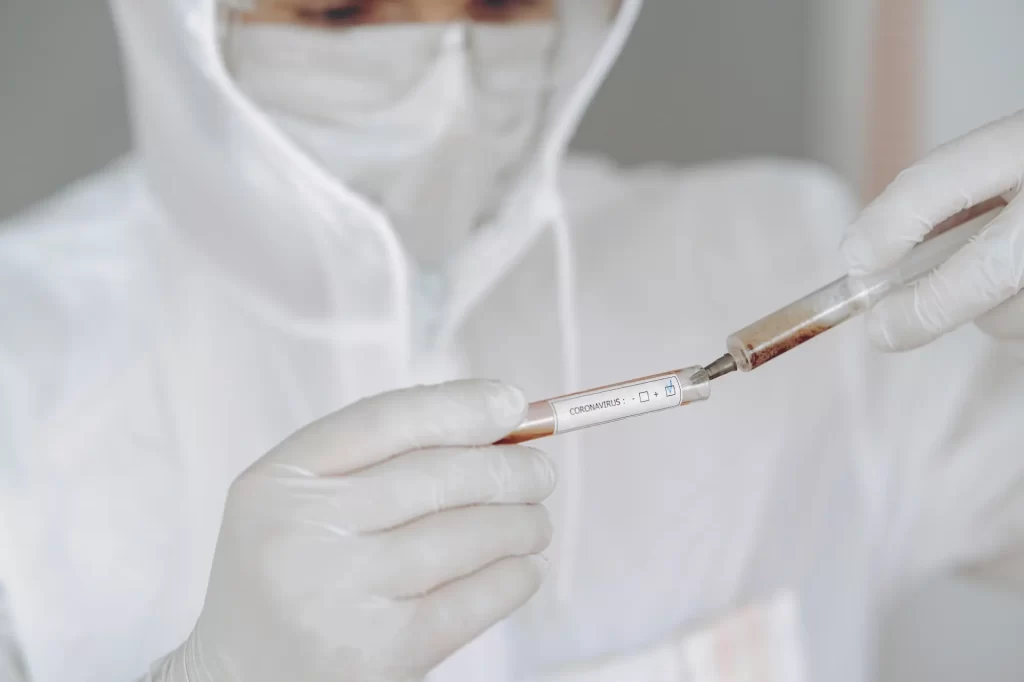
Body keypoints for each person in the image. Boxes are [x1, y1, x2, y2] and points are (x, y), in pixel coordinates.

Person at [0, 1, 1021, 680]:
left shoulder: (774, 246)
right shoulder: (26, 356)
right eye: (342, 8)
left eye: (498, 1)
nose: (447, 65)